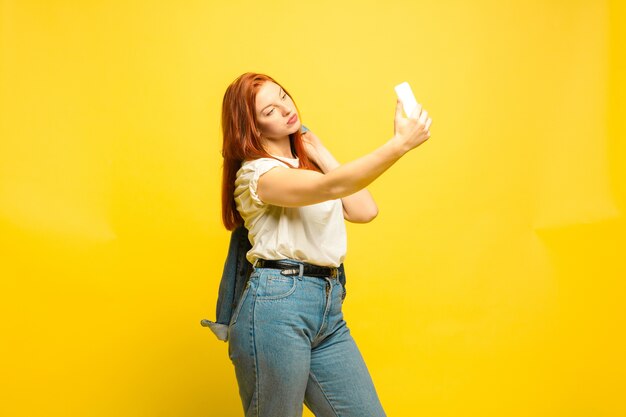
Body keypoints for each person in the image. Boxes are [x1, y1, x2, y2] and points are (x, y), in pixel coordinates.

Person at [219, 72, 431, 417]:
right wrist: (399, 145)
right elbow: (332, 188)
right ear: (253, 128)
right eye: (269, 111)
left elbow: (364, 210)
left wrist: (318, 151)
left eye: (283, 96)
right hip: (277, 307)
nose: (285, 109)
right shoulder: (258, 175)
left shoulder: (309, 166)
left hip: (328, 306)